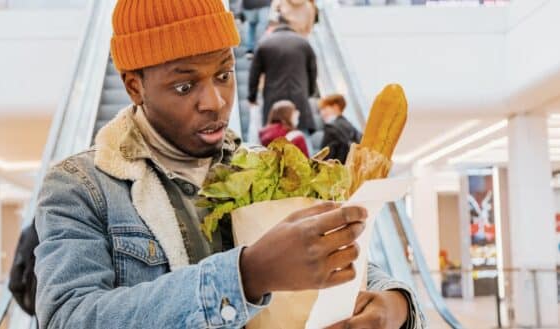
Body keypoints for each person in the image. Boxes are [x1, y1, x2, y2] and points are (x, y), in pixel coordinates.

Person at [34, 0, 425, 328]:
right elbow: (68, 317)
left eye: (223, 74)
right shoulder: (80, 187)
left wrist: (395, 305)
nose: (216, 101)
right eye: (185, 86)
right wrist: (246, 275)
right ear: (134, 86)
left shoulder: (267, 165)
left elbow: (335, 256)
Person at [248, 19, 317, 133]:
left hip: (273, 99)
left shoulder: (265, 43)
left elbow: (254, 73)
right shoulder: (304, 43)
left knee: (275, 139)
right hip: (299, 98)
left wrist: (252, 96)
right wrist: (309, 92)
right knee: (300, 136)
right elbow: (313, 70)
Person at [319, 94, 363, 163]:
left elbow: (325, 157)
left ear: (335, 107)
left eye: (324, 109)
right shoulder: (350, 125)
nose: (322, 113)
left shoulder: (330, 128)